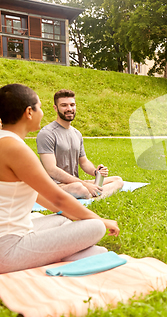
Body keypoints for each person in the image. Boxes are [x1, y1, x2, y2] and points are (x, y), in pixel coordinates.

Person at [0, 84, 120, 274]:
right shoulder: (15, 148)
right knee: (95, 227)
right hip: (7, 248)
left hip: (15, 231)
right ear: (29, 112)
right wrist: (101, 220)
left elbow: (41, 197)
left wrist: (73, 215)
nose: (42, 112)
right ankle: (64, 253)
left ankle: (62, 253)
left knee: (62, 220)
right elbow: (58, 197)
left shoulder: (5, 141)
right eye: (39, 107)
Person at [36, 89, 123, 199]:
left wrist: (96, 172)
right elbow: (51, 170)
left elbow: (84, 162)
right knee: (80, 188)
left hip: (75, 182)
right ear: (55, 108)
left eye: (72, 105)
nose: (69, 109)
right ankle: (96, 194)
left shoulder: (77, 134)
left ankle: (94, 194)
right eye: (64, 105)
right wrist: (85, 184)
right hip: (54, 185)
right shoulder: (47, 133)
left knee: (117, 180)